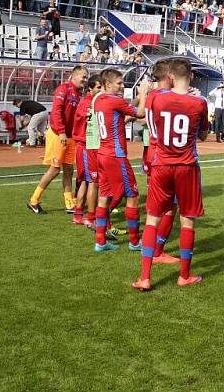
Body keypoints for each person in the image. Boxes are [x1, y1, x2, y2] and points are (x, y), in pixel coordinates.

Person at [132, 58, 210, 290]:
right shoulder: (200, 103)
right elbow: (203, 136)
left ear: (171, 77)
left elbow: (143, 111)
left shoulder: (157, 98)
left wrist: (144, 91)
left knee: (152, 219)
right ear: (192, 77)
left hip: (161, 164)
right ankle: (184, 275)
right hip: (187, 166)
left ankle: (145, 277)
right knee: (187, 221)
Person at [92, 69, 149, 252]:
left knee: (104, 197)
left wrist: (135, 101)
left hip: (102, 154)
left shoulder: (100, 100)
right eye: (119, 83)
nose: (123, 86)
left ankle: (100, 242)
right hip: (116, 156)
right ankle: (134, 242)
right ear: (108, 84)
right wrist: (143, 93)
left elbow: (122, 110)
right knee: (132, 197)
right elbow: (140, 113)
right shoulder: (115, 100)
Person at [27, 65, 88, 215]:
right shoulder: (64, 89)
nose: (85, 80)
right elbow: (56, 112)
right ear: (74, 76)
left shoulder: (79, 94)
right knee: (54, 170)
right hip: (58, 135)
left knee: (68, 170)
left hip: (70, 137)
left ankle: (69, 204)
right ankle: (34, 200)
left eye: (86, 77)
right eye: (83, 77)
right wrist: (61, 132)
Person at [141, 60, 182, 263]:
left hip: (152, 151)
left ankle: (153, 250)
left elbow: (142, 117)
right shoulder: (167, 96)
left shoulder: (151, 96)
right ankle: (157, 250)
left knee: (156, 205)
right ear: (168, 76)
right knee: (169, 206)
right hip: (166, 154)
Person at [71, 75, 104, 225]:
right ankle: (88, 216)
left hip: (89, 146)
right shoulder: (88, 103)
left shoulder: (93, 102)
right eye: (98, 87)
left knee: (87, 181)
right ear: (90, 88)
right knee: (90, 181)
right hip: (85, 146)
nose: (101, 90)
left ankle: (80, 213)